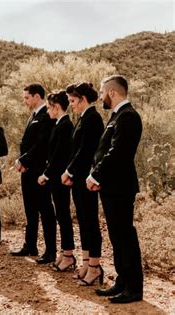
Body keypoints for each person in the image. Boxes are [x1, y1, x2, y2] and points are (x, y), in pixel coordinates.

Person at [88, 75, 143, 303]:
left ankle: (134, 288)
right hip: (110, 187)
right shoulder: (117, 116)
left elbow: (117, 153)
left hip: (120, 187)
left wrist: (96, 174)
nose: (100, 96)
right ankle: (122, 281)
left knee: (124, 236)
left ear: (112, 92)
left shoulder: (128, 116)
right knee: (116, 236)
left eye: (102, 92)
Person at [61, 82, 104, 286]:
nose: (71, 105)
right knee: (84, 221)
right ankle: (86, 263)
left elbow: (86, 151)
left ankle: (95, 266)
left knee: (91, 223)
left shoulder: (93, 119)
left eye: (72, 101)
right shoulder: (83, 118)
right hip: (78, 178)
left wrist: (68, 170)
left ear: (83, 99)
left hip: (87, 179)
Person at [11, 83, 56, 264]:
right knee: (30, 209)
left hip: (39, 171)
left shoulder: (47, 115)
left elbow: (42, 144)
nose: (25, 101)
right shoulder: (34, 115)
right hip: (28, 170)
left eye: (27, 97)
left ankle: (51, 250)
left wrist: (23, 160)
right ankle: (30, 245)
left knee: (45, 210)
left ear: (37, 96)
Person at [37, 90, 75, 271]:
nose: (47, 111)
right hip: (56, 177)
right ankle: (65, 252)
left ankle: (68, 254)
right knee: (61, 215)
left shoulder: (65, 125)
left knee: (63, 216)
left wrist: (45, 174)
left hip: (59, 178)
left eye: (49, 107)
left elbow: (59, 156)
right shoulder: (59, 124)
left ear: (56, 107)